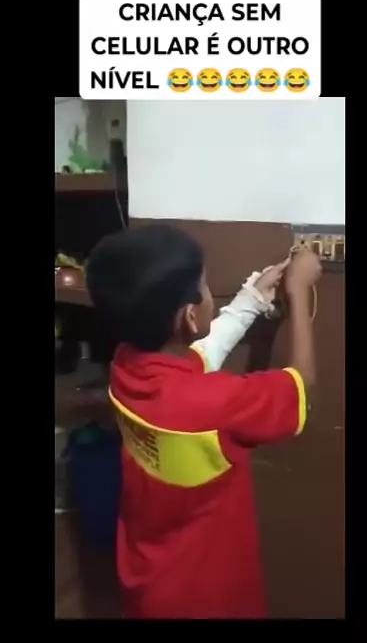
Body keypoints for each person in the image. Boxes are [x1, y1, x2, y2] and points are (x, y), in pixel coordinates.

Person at [86, 224, 321, 619]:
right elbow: (302, 386)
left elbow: (200, 356)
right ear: (190, 316)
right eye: (205, 286)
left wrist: (249, 301)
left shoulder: (125, 369)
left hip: (149, 583)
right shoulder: (218, 404)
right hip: (208, 594)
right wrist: (297, 291)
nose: (210, 292)